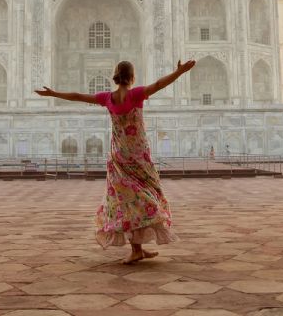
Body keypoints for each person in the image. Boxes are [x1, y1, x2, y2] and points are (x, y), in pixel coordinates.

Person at [36, 59, 195, 265]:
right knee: (146, 196)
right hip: (138, 156)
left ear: (116, 76)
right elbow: (158, 85)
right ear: (132, 77)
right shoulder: (136, 94)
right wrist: (179, 72)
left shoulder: (108, 98)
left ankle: (137, 248)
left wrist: (53, 94)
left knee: (126, 201)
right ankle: (138, 246)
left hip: (119, 156)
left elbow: (77, 96)